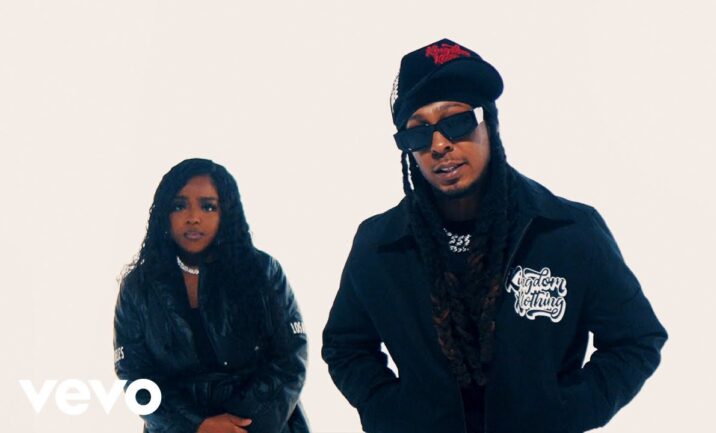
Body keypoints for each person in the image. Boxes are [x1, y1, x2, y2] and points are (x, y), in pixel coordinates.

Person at [322, 39, 668, 433]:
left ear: (490, 122)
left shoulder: (568, 231)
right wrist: (391, 415)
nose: (440, 145)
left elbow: (636, 339)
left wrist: (564, 413)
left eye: (456, 121)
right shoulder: (379, 245)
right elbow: (346, 346)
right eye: (418, 133)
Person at [114, 158, 309, 433]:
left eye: (208, 206)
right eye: (179, 205)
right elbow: (135, 376)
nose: (193, 217)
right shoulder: (138, 287)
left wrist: (240, 427)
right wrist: (196, 426)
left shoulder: (262, 271)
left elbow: (290, 361)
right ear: (164, 214)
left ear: (226, 212)